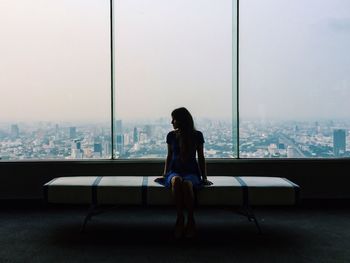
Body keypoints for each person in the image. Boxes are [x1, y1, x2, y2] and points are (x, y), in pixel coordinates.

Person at [155, 107, 213, 239]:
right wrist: (165, 173)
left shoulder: (197, 135)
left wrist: (204, 177)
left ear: (181, 120)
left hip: (191, 171)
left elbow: (201, 157)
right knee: (176, 181)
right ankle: (180, 218)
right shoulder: (171, 135)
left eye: (174, 119)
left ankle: (191, 219)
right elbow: (169, 156)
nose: (172, 122)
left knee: (187, 184)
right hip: (174, 170)